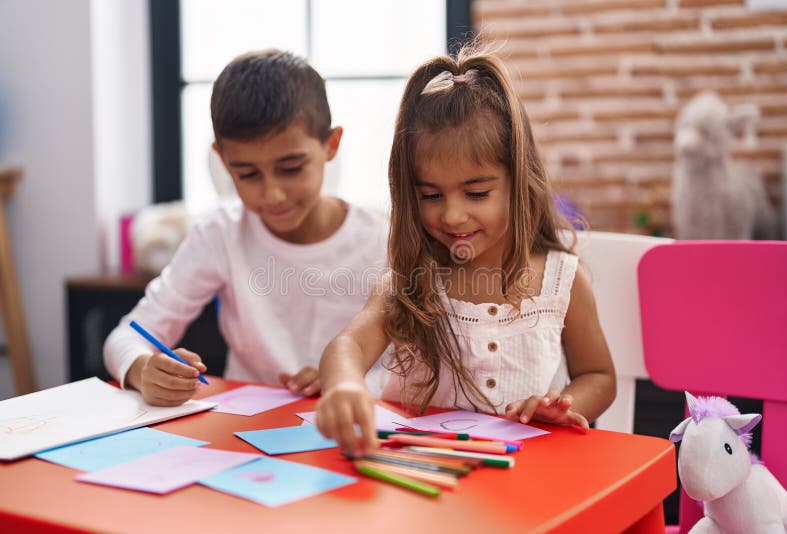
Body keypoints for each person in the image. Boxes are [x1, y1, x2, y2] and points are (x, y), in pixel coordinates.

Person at [315, 44, 616, 456]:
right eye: (432, 195)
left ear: (519, 182)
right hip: (419, 478)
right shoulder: (409, 284)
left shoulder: (560, 280)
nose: (453, 216)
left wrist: (561, 406)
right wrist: (346, 384)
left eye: (476, 193)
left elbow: (598, 375)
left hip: (519, 486)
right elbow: (346, 346)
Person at [104, 49, 388, 406]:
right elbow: (124, 337)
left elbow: (416, 366)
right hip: (242, 432)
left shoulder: (381, 242)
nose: (273, 194)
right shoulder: (220, 233)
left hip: (350, 424)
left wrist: (349, 376)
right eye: (247, 174)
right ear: (223, 161)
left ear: (330, 145)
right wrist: (142, 368)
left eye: (291, 168)